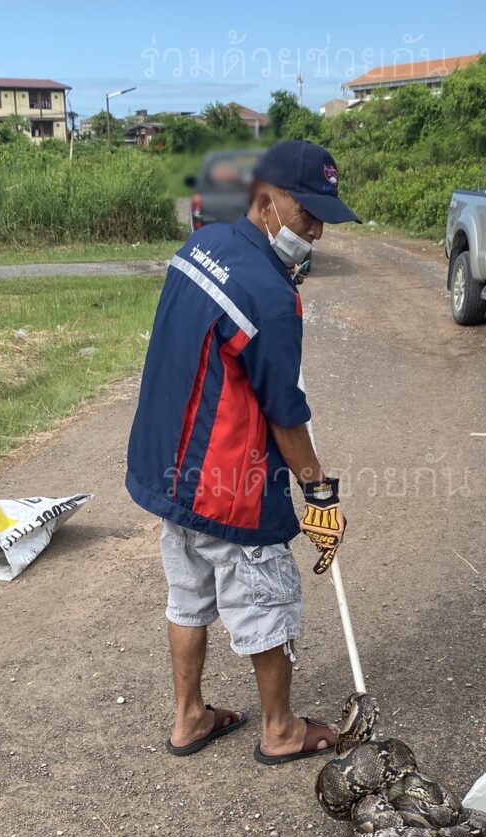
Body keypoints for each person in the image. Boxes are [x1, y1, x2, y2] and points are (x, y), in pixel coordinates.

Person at [126, 140, 360, 765]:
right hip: (228, 483)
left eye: (323, 219)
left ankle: (189, 718)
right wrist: (318, 493)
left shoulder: (199, 247)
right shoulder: (270, 296)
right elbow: (284, 411)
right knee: (267, 598)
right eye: (306, 214)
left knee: (187, 595)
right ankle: (280, 730)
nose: (315, 232)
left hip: (170, 472)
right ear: (264, 200)